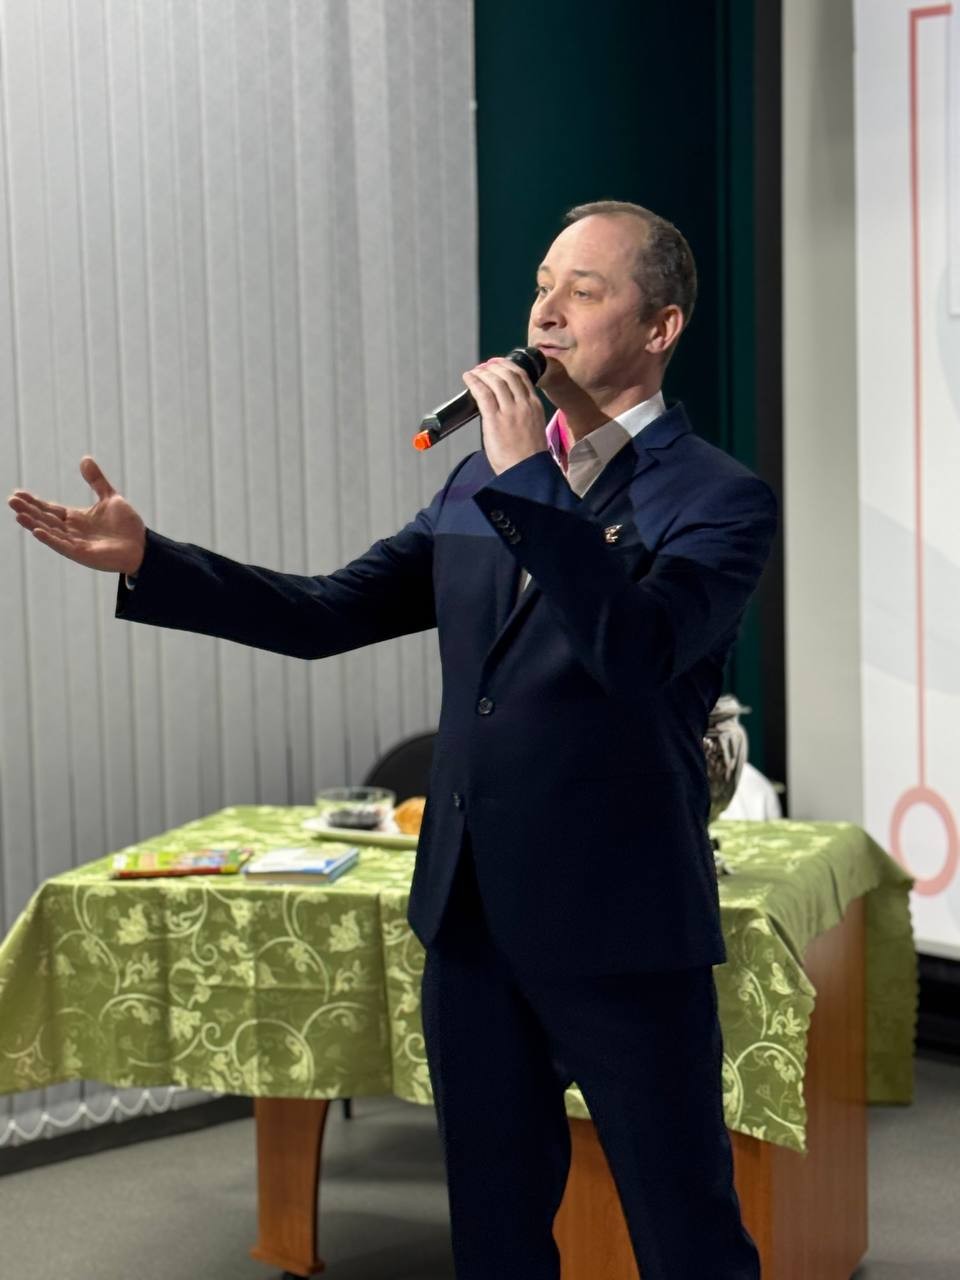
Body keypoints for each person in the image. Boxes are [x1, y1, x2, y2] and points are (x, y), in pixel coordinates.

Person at [8, 200, 775, 1279]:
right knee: (496, 1234)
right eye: (542, 286)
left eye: (584, 290)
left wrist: (530, 480)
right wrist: (152, 561)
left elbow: (634, 650)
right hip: (472, 922)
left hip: (621, 922)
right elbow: (326, 612)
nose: (546, 311)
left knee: (684, 1231)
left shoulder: (717, 498)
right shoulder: (478, 481)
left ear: (661, 327)